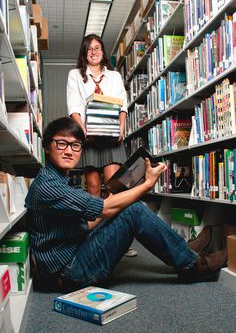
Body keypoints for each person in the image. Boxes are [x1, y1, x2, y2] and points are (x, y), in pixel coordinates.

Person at [25, 117, 227, 291]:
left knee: (123, 208)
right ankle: (192, 266)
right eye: (62, 143)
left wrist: (116, 200)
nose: (69, 151)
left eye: (75, 145)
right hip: (71, 272)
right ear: (47, 148)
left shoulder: (57, 179)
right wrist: (146, 184)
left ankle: (182, 249)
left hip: (71, 255)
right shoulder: (48, 186)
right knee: (133, 210)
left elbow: (86, 223)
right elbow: (103, 210)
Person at [67, 33, 137, 257]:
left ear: (103, 52)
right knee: (94, 189)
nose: (94, 52)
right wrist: (82, 130)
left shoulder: (114, 76)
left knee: (114, 186)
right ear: (84, 53)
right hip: (89, 139)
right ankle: (96, 238)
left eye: (98, 48)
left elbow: (122, 104)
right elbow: (74, 106)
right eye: (89, 49)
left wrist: (121, 128)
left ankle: (120, 237)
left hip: (111, 138)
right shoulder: (75, 76)